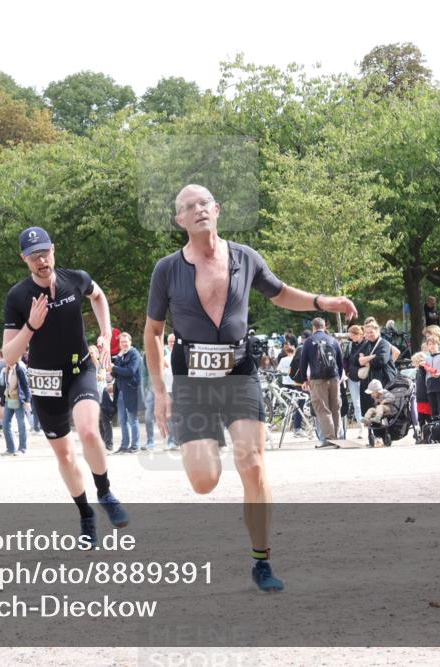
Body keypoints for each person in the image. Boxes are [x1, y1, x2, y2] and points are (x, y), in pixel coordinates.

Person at [144, 183, 357, 593]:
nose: (198, 210)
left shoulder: (245, 258)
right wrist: (160, 392)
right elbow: (153, 331)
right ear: (180, 221)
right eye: (188, 207)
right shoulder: (167, 269)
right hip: (191, 378)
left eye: (204, 202)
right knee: (204, 480)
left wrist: (323, 302)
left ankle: (261, 561)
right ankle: (208, 447)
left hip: (239, 370)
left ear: (218, 209)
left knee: (254, 463)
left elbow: (279, 293)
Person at [2, 226, 128, 543]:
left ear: (53, 250)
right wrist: (31, 326)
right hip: (45, 381)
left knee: (88, 430)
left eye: (45, 252)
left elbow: (98, 296)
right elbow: (8, 356)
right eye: (33, 256)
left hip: (79, 367)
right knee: (66, 457)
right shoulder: (18, 297)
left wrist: (105, 331)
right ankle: (86, 515)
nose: (41, 260)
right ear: (24, 259)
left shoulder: (76, 279)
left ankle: (105, 493)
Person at [293, 317, 343, 448]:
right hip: (334, 378)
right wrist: (338, 376)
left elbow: (303, 363)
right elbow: (340, 361)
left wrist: (304, 379)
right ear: (324, 326)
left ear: (313, 327)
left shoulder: (309, 342)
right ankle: (337, 437)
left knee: (322, 409)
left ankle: (330, 438)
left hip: (318, 379)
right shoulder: (333, 340)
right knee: (335, 408)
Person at [111, 332, 143, 453]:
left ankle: (135, 445)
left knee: (132, 419)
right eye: (121, 342)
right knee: (122, 420)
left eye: (126, 341)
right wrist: (113, 369)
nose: (124, 344)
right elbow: (115, 373)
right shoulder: (120, 355)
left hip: (131, 391)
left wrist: (114, 368)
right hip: (120, 391)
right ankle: (124, 446)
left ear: (130, 342)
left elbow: (130, 371)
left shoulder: (134, 353)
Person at [0, 356, 31, 456]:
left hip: (19, 400)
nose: (6, 360)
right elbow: (6, 386)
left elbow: (26, 386)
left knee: (21, 425)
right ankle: (10, 449)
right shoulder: (6, 369)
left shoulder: (20, 369)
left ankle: (22, 449)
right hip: (9, 399)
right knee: (5, 424)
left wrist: (27, 400)